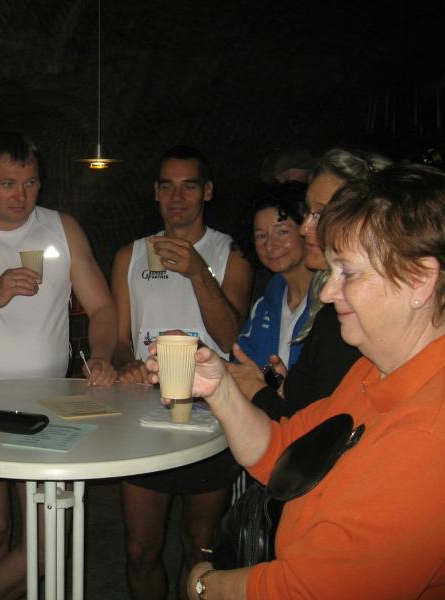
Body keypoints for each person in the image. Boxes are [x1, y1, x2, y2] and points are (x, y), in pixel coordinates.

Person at [147, 164, 445, 599]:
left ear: (420, 280)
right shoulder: (379, 368)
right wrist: (218, 388)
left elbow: (308, 591)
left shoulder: (431, 435)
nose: (327, 292)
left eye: (349, 273)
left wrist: (203, 585)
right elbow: (286, 451)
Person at [0, 131, 118, 599]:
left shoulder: (61, 228)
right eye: (8, 183)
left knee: (47, 542)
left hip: (49, 402)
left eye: (30, 183)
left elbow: (103, 309)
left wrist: (101, 356)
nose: (21, 195)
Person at [110, 145, 252, 600]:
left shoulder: (231, 253)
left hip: (210, 412)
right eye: (167, 187)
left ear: (207, 191)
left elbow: (233, 340)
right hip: (143, 412)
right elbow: (118, 340)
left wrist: (198, 272)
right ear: (155, 192)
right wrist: (126, 363)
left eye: (188, 186)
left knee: (200, 547)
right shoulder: (130, 255)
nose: (177, 198)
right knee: (140, 550)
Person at [229, 149, 390, 420]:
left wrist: (258, 391)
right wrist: (284, 385)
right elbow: (310, 401)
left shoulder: (351, 313)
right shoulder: (274, 297)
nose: (305, 228)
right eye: (308, 211)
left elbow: (319, 428)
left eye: (321, 213)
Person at [236, 181, 311, 369]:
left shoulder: (331, 302)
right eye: (261, 236)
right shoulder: (266, 304)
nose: (270, 245)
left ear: (306, 231)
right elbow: (244, 366)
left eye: (282, 232)